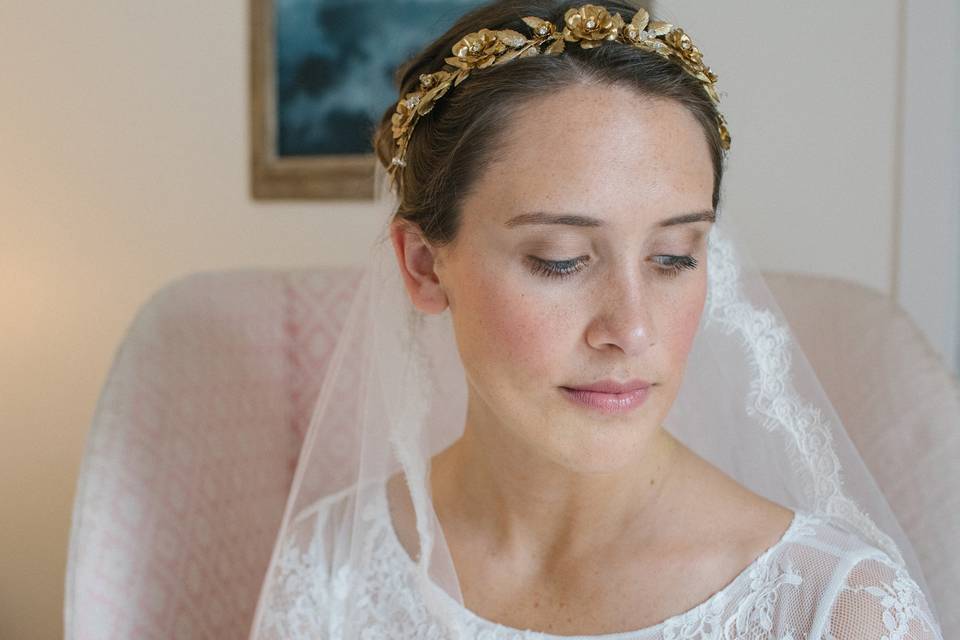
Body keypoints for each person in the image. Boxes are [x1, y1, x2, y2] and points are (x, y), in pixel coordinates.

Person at [249, 2, 945, 638]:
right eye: (561, 259)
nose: (632, 329)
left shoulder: (838, 610)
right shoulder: (329, 572)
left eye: (673, 257)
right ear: (426, 266)